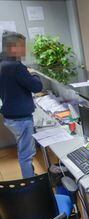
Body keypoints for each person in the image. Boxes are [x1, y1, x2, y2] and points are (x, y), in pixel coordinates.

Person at [0, 31, 42, 178]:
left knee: (24, 150)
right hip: (21, 119)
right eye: (22, 46)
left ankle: (30, 174)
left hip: (10, 116)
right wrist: (33, 74)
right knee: (26, 154)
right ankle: (30, 183)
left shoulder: (2, 63)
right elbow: (37, 87)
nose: (25, 50)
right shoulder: (16, 67)